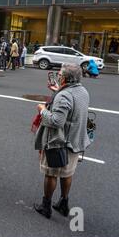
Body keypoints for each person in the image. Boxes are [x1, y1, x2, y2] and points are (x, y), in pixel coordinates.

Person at [34, 63, 91, 219]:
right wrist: (57, 91)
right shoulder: (83, 91)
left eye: (60, 75)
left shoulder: (63, 95)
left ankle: (46, 207)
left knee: (51, 173)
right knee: (67, 173)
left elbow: (56, 121)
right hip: (76, 141)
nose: (58, 76)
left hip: (59, 142)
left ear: (65, 78)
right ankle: (63, 203)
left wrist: (42, 109)